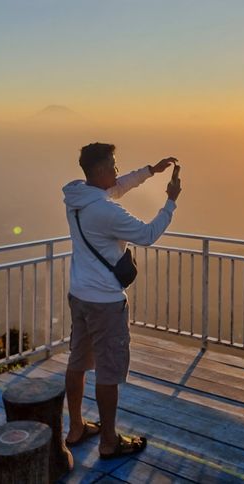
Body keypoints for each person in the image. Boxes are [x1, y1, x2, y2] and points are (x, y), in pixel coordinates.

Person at [62, 142, 181, 459]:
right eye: (113, 165)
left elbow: (116, 187)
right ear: (101, 171)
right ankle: (109, 441)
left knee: (76, 362)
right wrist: (170, 201)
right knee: (108, 372)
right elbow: (147, 234)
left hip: (79, 295)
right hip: (105, 303)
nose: (117, 170)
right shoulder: (105, 210)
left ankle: (75, 427)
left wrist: (149, 172)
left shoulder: (77, 196)